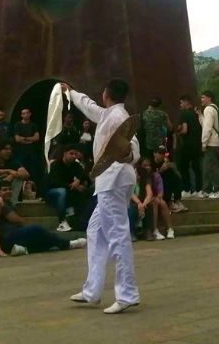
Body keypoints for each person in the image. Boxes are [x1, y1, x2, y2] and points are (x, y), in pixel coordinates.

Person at [63, 79, 141, 314]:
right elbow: (90, 107)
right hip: (110, 181)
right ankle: (92, 290)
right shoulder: (108, 114)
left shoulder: (118, 117)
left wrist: (129, 155)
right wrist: (72, 93)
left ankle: (127, 294)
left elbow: (132, 146)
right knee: (95, 231)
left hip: (114, 180)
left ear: (107, 94)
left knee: (117, 234)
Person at [0, 181, 86, 256]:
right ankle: (68, 244)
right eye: (4, 190)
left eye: (10, 189)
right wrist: (23, 221)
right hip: (8, 238)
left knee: (42, 241)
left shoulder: (9, 204)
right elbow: (15, 219)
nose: (8, 191)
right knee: (36, 229)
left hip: (15, 235)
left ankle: (24, 250)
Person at [47, 144, 90, 232]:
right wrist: (72, 186)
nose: (74, 156)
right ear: (65, 153)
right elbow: (55, 182)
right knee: (62, 192)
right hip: (54, 191)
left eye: (75, 154)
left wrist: (78, 180)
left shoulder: (75, 165)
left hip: (70, 190)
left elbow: (84, 175)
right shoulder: (56, 165)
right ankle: (62, 220)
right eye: (71, 153)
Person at [137, 157, 174, 240]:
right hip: (142, 199)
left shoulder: (156, 176)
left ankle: (170, 229)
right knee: (154, 203)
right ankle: (154, 230)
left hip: (153, 198)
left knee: (162, 203)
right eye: (145, 165)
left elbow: (160, 192)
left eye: (149, 165)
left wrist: (157, 197)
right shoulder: (137, 176)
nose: (148, 167)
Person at [176, 95, 202, 197]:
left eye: (181, 102)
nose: (180, 105)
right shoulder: (197, 113)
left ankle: (186, 189)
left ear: (186, 102)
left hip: (187, 145)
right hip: (197, 144)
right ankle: (199, 190)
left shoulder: (184, 114)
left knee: (184, 167)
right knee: (197, 167)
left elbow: (185, 130)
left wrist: (178, 132)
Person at [200, 91, 219, 199]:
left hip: (211, 143)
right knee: (207, 167)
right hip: (216, 142)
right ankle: (207, 190)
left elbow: (207, 128)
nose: (201, 99)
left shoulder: (208, 109)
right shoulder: (215, 109)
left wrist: (204, 143)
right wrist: (200, 116)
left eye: (203, 97)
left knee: (212, 168)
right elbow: (206, 124)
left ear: (209, 98)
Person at [14, 108, 43, 190]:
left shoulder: (34, 125)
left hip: (32, 151)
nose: (25, 115)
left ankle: (33, 190)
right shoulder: (17, 125)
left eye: (27, 113)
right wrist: (30, 139)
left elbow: (36, 138)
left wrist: (24, 138)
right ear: (21, 115)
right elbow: (17, 139)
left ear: (30, 114)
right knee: (22, 169)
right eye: (23, 113)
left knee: (33, 170)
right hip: (21, 151)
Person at [152, 145, 185, 212]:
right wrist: (161, 171)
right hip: (155, 185)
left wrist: (173, 167)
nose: (162, 155)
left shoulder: (165, 162)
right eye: (160, 153)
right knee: (166, 179)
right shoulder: (151, 163)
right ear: (154, 153)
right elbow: (152, 178)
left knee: (174, 176)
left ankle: (177, 201)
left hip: (165, 183)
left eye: (163, 153)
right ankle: (169, 203)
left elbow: (177, 176)